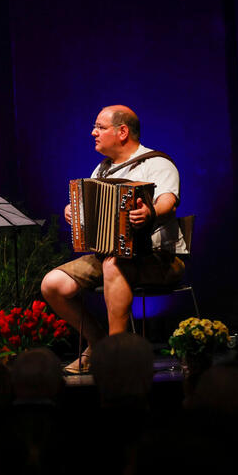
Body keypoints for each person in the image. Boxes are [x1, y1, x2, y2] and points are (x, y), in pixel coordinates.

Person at [40, 105, 186, 373]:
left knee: (113, 265)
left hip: (157, 257)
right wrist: (73, 210)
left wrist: (151, 211)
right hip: (108, 254)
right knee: (52, 284)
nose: (93, 132)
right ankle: (98, 343)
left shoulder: (156, 163)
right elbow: (92, 206)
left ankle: (117, 355)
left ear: (122, 132)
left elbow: (169, 200)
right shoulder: (102, 169)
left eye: (100, 127)